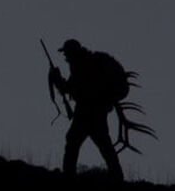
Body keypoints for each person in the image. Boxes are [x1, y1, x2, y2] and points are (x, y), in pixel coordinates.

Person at [48, 39, 129, 181]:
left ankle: (68, 177)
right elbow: (72, 88)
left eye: (66, 53)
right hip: (97, 111)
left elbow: (71, 88)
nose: (65, 57)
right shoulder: (87, 62)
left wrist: (57, 80)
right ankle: (117, 177)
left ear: (72, 52)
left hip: (87, 111)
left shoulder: (82, 65)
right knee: (104, 145)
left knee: (74, 140)